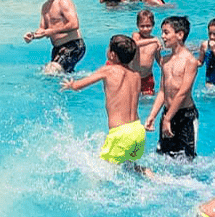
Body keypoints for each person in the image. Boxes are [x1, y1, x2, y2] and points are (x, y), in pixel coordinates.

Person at [62, 34, 148, 171]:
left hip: (121, 133)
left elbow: (79, 86)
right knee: (131, 167)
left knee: (99, 172)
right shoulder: (136, 75)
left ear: (112, 54)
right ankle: (148, 173)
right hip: (138, 130)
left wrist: (72, 85)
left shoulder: (108, 71)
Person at [145, 15, 200, 160]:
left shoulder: (190, 61)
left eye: (166, 32)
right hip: (167, 113)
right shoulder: (165, 61)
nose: (162, 36)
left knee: (187, 160)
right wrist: (153, 115)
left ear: (180, 35)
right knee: (164, 156)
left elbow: (182, 93)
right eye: (162, 32)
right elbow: (163, 91)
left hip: (185, 116)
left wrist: (167, 119)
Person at [24, 0, 85, 73]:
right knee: (59, 76)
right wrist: (33, 36)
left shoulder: (63, 1)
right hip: (57, 48)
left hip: (73, 46)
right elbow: (43, 29)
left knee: (51, 71)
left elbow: (74, 24)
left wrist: (51, 31)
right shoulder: (45, 7)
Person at [130, 9, 162, 97]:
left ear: (153, 25)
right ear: (137, 25)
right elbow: (135, 44)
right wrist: (154, 40)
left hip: (147, 77)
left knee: (148, 99)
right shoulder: (136, 36)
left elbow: (159, 59)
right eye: (142, 26)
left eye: (148, 26)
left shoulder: (155, 43)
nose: (145, 29)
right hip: (133, 76)